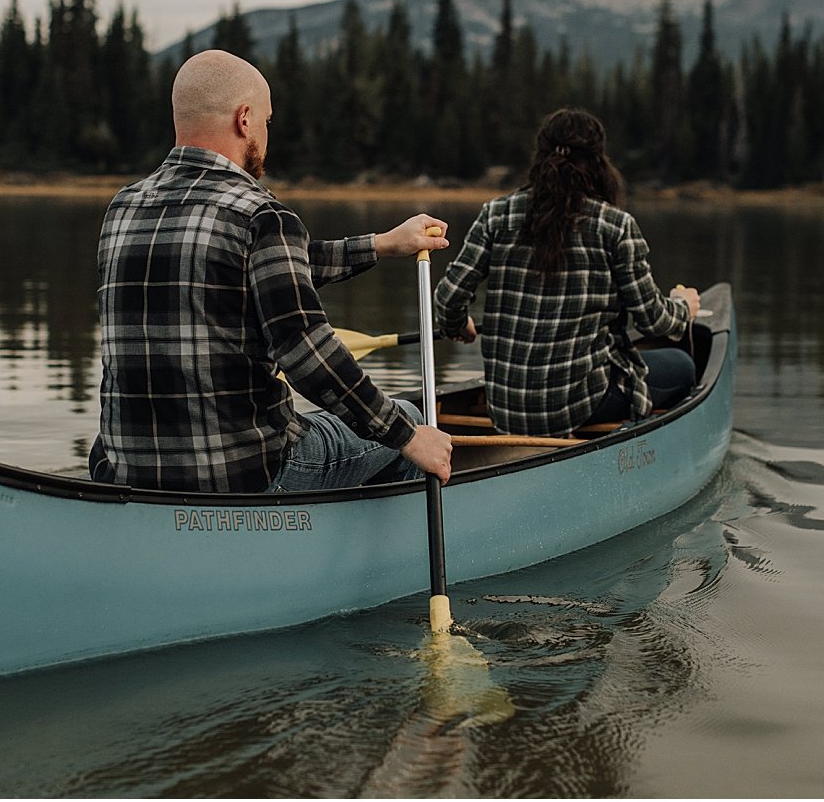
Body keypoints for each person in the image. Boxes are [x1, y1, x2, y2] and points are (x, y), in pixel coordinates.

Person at [90, 49, 453, 493]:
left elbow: (256, 274)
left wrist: (380, 245)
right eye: (267, 120)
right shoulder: (260, 214)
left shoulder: (123, 208)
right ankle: (361, 551)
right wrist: (407, 436)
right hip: (246, 474)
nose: (267, 132)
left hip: (126, 472)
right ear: (244, 119)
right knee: (412, 418)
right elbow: (308, 357)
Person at [433, 107, 701, 438]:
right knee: (683, 366)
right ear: (598, 163)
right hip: (579, 405)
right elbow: (652, 321)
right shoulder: (615, 226)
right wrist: (684, 308)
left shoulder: (495, 215)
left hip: (505, 408)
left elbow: (447, 298)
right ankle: (632, 438)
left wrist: (457, 325)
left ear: (540, 156)